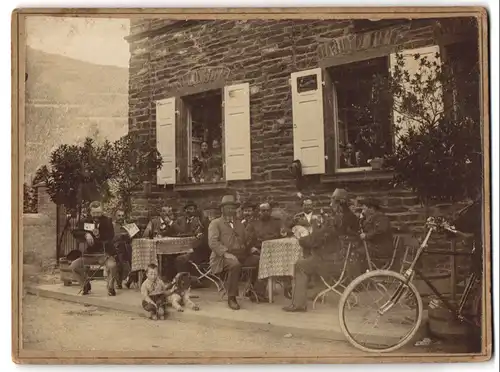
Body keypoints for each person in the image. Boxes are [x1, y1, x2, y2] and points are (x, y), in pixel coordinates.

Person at [282, 191, 360, 312]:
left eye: (332, 201)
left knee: (300, 265)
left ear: (337, 203)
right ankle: (317, 292)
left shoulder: (334, 219)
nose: (330, 204)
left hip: (332, 262)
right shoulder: (349, 216)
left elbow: (315, 239)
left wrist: (301, 240)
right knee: (313, 257)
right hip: (345, 259)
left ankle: (298, 304)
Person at [208, 195, 267, 310]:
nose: (231, 210)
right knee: (235, 265)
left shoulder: (239, 223)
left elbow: (244, 239)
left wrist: (251, 248)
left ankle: (254, 291)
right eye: (228, 208)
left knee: (259, 259)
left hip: (241, 254)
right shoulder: (215, 223)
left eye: (233, 208)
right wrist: (226, 253)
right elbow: (213, 242)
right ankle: (232, 297)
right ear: (222, 209)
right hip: (221, 257)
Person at [69, 201, 118, 296]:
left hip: (104, 254)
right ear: (90, 212)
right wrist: (86, 234)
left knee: (112, 266)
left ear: (102, 211)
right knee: (74, 266)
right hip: (89, 254)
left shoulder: (107, 221)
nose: (96, 215)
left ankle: (110, 287)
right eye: (94, 213)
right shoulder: (85, 221)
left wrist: (99, 236)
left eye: (99, 213)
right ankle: (85, 284)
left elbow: (110, 236)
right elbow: (75, 232)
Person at [174, 201, 211, 278]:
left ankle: (185, 280)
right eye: (187, 209)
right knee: (178, 256)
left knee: (180, 259)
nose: (189, 212)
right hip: (196, 250)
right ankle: (184, 278)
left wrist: (194, 246)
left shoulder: (206, 225)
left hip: (202, 253)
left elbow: (204, 243)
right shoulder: (200, 224)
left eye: (191, 209)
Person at [358, 197, 394, 270]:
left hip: (381, 249)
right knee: (356, 250)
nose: (363, 211)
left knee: (357, 253)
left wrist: (366, 236)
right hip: (374, 247)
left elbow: (380, 231)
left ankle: (360, 274)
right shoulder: (370, 217)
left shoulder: (381, 218)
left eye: (364, 209)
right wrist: (361, 219)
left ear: (371, 209)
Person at [112, 209, 133, 289]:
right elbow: (110, 239)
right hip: (116, 248)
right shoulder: (112, 226)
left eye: (122, 215)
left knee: (135, 260)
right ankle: (119, 282)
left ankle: (129, 280)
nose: (121, 217)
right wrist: (119, 236)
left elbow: (132, 238)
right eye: (119, 215)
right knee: (120, 260)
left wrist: (129, 234)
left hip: (127, 248)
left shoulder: (128, 225)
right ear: (115, 216)